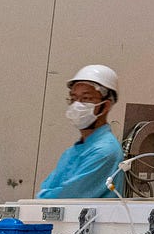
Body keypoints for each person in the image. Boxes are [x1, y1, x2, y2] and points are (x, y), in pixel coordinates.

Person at [37, 65, 124, 199]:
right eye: (73, 98)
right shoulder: (73, 152)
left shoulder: (105, 151)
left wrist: (44, 197)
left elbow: (66, 197)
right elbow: (44, 192)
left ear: (105, 106)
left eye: (86, 98)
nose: (77, 105)